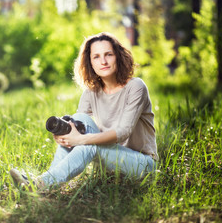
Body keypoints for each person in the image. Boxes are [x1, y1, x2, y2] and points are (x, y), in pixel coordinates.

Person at [10, 32, 158, 191]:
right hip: (108, 164)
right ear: (90, 63)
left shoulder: (135, 87)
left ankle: (40, 184)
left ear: (118, 57)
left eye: (108, 54)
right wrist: (66, 136)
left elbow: (123, 132)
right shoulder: (91, 92)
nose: (103, 61)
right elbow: (80, 129)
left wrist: (80, 140)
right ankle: (44, 181)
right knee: (78, 120)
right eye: (96, 57)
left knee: (87, 142)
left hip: (143, 165)